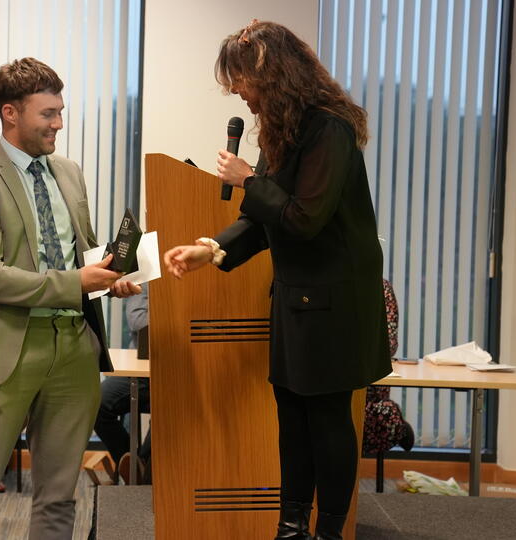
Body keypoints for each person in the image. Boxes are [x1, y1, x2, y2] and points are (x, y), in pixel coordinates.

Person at [163, 20, 391, 540]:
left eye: (240, 81)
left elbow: (304, 218)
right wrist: (210, 249)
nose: (237, 93)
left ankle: (328, 531)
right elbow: (264, 218)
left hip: (335, 303)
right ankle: (290, 528)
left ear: (272, 75)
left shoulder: (329, 129)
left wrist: (249, 179)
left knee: (327, 422)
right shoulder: (281, 129)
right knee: (293, 419)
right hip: (296, 300)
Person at [0, 57, 140, 540]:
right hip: (5, 348)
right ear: (10, 113)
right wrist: (76, 282)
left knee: (59, 497)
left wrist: (109, 276)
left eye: (61, 111)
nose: (59, 124)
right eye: (48, 113)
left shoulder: (68, 172)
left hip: (73, 348)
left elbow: (79, 253)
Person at [94, 283, 151, 484]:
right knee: (97, 403)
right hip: (144, 368)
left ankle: (143, 471)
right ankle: (133, 464)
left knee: (169, 411)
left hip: (182, 373)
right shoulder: (151, 272)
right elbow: (137, 320)